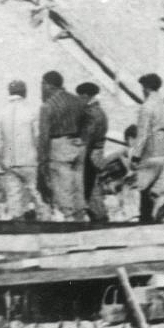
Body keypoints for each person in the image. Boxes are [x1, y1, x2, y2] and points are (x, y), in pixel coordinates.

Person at [36, 71, 89, 220]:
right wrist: (82, 141)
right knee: (78, 185)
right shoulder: (78, 101)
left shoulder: (47, 106)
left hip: (59, 146)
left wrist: (42, 161)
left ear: (47, 85)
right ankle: (81, 217)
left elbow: (44, 135)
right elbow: (87, 124)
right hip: (78, 145)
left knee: (62, 187)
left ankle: (69, 220)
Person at [129, 73, 164, 223]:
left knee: (137, 186)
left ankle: (132, 217)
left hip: (151, 151)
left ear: (146, 88)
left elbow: (142, 133)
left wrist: (135, 155)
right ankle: (160, 218)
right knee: (160, 190)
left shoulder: (147, 106)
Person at [0, 79, 42, 218]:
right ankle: (48, 224)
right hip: (30, 161)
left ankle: (17, 227)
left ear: (9, 92)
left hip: (9, 163)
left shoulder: (1, 113)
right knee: (38, 196)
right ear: (25, 92)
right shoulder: (32, 111)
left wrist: (1, 159)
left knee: (14, 200)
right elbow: (37, 136)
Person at [76, 83, 111, 224]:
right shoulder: (100, 111)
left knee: (88, 188)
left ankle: (100, 217)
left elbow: (87, 137)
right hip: (97, 154)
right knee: (92, 187)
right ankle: (100, 216)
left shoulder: (90, 113)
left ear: (85, 95)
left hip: (89, 154)